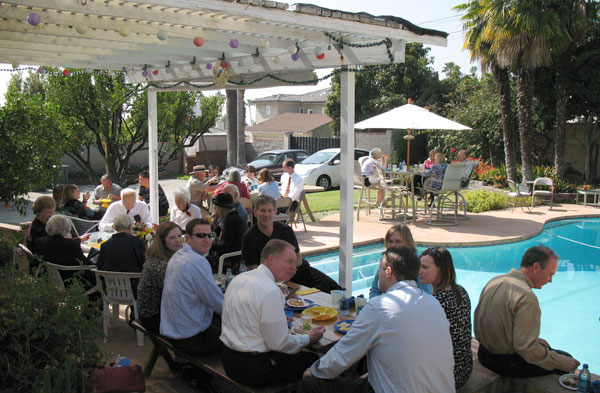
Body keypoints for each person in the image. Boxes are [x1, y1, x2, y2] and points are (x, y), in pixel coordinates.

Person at [299, 247, 455, 393]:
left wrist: (314, 371)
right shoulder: (433, 303)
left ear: (388, 271)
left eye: (380, 269)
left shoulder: (380, 306)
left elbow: (343, 354)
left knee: (309, 384)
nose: (378, 274)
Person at [220, 239, 325, 387]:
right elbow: (280, 344)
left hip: (228, 359)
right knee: (313, 360)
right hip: (253, 370)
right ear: (271, 259)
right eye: (289, 262)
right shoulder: (270, 291)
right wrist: (309, 338)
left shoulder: (239, 279)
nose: (294, 268)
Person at [474, 245, 580, 378]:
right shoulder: (526, 297)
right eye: (550, 274)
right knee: (565, 359)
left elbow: (498, 326)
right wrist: (561, 362)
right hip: (503, 363)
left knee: (545, 349)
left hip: (483, 353)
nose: (550, 280)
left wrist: (533, 340)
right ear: (535, 267)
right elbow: (526, 349)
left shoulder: (495, 281)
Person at [242, 195, 341, 293]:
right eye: (262, 211)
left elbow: (298, 258)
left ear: (275, 212)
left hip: (298, 271)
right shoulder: (249, 237)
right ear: (255, 212)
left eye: (270, 210)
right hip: (273, 281)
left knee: (334, 289)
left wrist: (290, 269)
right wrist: (280, 277)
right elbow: (253, 270)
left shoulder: (285, 230)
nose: (266, 215)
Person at [160, 218, 224, 356]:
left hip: (173, 330)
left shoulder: (178, 255)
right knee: (241, 335)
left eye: (210, 235)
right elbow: (218, 304)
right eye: (201, 235)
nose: (207, 239)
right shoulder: (197, 262)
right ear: (188, 238)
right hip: (189, 337)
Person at [419, 247, 473, 388]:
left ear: (441, 269)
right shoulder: (461, 291)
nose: (420, 271)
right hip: (465, 369)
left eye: (425, 267)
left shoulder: (437, 302)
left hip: (448, 376)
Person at [137, 221, 182, 333]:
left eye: (179, 236)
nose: (178, 240)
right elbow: (177, 293)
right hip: (153, 317)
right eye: (172, 238)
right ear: (162, 241)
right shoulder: (160, 264)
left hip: (159, 310)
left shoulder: (165, 256)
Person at [368, 225, 432, 299]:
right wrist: (375, 305)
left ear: (408, 243)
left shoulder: (417, 264)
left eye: (398, 241)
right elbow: (375, 290)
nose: (393, 245)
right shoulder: (384, 261)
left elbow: (426, 294)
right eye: (390, 241)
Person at [34, 214, 95, 286]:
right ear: (66, 228)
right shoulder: (71, 244)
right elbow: (86, 264)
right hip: (70, 280)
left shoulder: (40, 242)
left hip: (49, 279)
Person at [97, 214, 146, 296]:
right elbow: (144, 265)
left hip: (111, 290)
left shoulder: (105, 245)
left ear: (114, 227)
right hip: (135, 290)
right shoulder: (137, 242)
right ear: (130, 226)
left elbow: (100, 268)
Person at [210, 193, 246, 272]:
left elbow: (224, 246)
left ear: (222, 209)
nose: (216, 211)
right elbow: (226, 237)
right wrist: (215, 224)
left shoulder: (230, 221)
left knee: (203, 262)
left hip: (230, 262)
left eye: (216, 208)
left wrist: (210, 242)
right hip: (235, 257)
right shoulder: (234, 217)